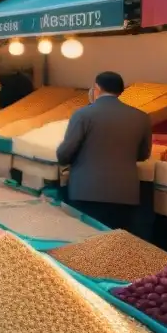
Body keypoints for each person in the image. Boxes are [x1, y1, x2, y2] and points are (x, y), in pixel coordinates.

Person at [56, 71, 153, 232]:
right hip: (125, 193)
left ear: (96, 88)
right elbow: (144, 154)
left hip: (86, 191)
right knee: (115, 244)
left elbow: (65, 153)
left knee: (86, 240)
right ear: (121, 91)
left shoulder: (83, 115)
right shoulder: (141, 117)